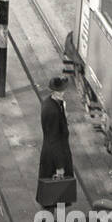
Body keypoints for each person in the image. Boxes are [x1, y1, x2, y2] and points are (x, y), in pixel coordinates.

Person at [36, 75, 77, 205]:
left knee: (54, 194)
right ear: (54, 92)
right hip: (55, 156)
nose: (63, 93)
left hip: (54, 153)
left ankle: (51, 220)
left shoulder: (52, 103)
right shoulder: (52, 111)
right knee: (55, 194)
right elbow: (54, 139)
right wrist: (60, 166)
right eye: (60, 91)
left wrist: (63, 112)